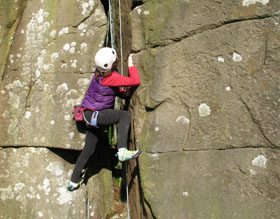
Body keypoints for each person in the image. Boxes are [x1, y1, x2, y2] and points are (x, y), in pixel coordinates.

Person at [68, 47, 141, 191]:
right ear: (113, 63)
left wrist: (123, 92)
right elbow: (135, 80)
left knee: (89, 149)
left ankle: (74, 181)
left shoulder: (99, 73)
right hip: (96, 115)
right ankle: (122, 151)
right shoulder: (111, 77)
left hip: (88, 114)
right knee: (124, 116)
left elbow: (116, 92)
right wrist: (131, 63)